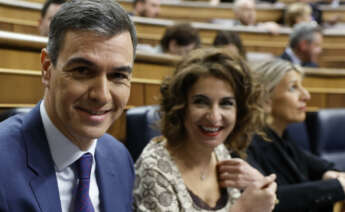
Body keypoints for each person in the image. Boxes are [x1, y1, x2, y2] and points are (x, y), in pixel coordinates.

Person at [0, 0, 137, 211]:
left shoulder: (120, 158)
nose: (101, 95)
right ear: (47, 69)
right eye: (82, 70)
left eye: (118, 75)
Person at [133, 48, 277, 211]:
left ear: (240, 111)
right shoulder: (154, 168)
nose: (214, 117)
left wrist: (260, 185)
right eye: (201, 102)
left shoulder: (219, 152)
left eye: (226, 103)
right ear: (180, 106)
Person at [247, 59, 345, 212]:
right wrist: (336, 186)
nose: (306, 95)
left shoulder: (282, 138)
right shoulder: (249, 144)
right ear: (265, 99)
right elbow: (271, 198)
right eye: (293, 88)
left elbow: (323, 166)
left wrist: (328, 174)